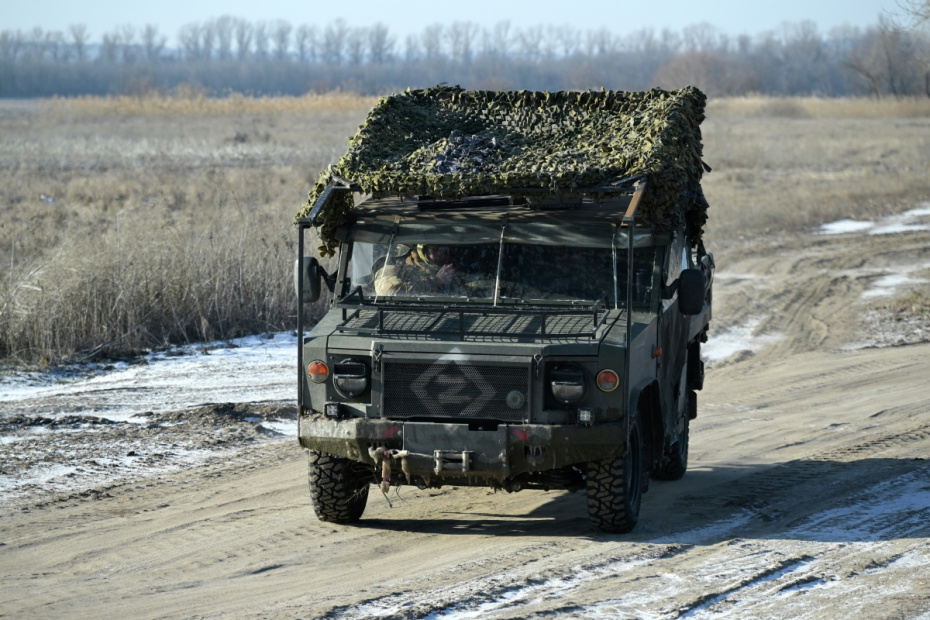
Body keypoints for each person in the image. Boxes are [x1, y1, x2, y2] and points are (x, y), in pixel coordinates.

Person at [374, 244, 460, 296]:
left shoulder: (456, 265)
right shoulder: (395, 265)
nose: (441, 254)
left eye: (445, 250)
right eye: (435, 249)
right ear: (423, 250)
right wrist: (435, 282)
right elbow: (389, 292)